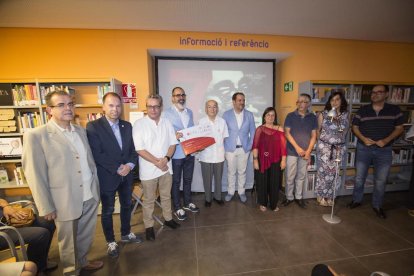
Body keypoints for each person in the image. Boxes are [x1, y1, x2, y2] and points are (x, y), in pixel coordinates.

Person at [22, 90, 103, 275]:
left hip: (89, 194)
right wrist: (45, 206)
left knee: (85, 235)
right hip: (63, 199)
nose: (68, 108)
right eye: (61, 105)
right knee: (68, 242)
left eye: (70, 104)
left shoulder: (81, 131)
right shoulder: (37, 135)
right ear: (49, 109)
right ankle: (71, 271)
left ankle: (82, 262)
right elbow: (34, 174)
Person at [86, 92, 142, 258]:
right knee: (108, 210)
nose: (115, 109)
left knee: (126, 206)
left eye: (118, 105)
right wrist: (118, 168)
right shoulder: (93, 126)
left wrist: (130, 165)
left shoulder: (127, 126)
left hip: (127, 176)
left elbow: (133, 150)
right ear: (103, 107)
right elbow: (98, 154)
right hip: (108, 176)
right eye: (111, 105)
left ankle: (126, 233)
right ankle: (110, 241)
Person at [348, 85, 404, 219]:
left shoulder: (394, 110)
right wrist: (362, 138)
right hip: (364, 148)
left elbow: (399, 128)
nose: (375, 94)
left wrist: (386, 140)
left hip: (384, 150)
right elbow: (354, 127)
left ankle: (377, 205)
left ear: (386, 94)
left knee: (381, 179)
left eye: (379, 92)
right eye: (373, 92)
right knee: (360, 177)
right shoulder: (363, 110)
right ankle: (356, 200)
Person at [133, 94, 180, 241]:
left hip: (166, 167)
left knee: (166, 196)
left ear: (161, 107)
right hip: (148, 170)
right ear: (146, 107)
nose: (153, 109)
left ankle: (168, 218)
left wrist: (165, 159)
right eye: (150, 106)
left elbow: (173, 144)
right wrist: (157, 162)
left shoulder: (167, 123)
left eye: (156, 106)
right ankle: (148, 226)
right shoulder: (139, 124)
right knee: (149, 200)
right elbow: (139, 149)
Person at [163, 87, 200, 221]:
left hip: (190, 152)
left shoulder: (189, 112)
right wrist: (174, 135)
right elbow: (164, 133)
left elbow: (191, 131)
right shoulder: (166, 114)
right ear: (172, 97)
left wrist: (196, 146)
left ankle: (187, 202)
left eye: (183, 95)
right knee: (176, 181)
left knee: (188, 179)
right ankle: (177, 207)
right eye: (178, 95)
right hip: (176, 153)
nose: (181, 97)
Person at [0, 198, 56, 274]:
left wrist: (6, 206)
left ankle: (40, 262)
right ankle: (38, 269)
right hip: (3, 231)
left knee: (48, 222)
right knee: (41, 234)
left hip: (9, 219)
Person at [283, 93, 318, 208]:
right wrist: (298, 148)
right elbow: (287, 133)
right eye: (299, 101)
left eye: (304, 102)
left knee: (301, 176)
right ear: (297, 103)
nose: (301, 104)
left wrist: (308, 151)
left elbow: (314, 135)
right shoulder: (290, 116)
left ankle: (298, 197)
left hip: (305, 152)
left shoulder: (313, 117)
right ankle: (289, 197)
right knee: (289, 176)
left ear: (308, 104)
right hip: (292, 151)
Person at [315, 92, 349, 206]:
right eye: (332, 100)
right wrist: (320, 145)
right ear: (329, 101)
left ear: (341, 101)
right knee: (323, 173)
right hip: (324, 149)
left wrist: (337, 122)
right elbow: (317, 131)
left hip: (339, 149)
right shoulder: (323, 114)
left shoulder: (345, 115)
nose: (334, 102)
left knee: (335, 174)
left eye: (337, 99)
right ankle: (322, 195)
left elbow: (344, 131)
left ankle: (331, 196)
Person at [223, 92, 256, 203]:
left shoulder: (249, 115)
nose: (242, 102)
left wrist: (250, 146)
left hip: (244, 148)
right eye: (239, 100)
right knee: (231, 172)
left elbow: (253, 132)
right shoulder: (226, 115)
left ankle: (241, 192)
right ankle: (231, 192)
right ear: (234, 102)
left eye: (243, 100)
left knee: (242, 172)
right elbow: (223, 132)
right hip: (230, 148)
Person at [252, 107, 287, 212]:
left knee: (275, 182)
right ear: (264, 116)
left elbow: (283, 146)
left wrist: (284, 160)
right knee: (262, 182)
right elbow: (255, 146)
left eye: (272, 115)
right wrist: (255, 160)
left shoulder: (279, 128)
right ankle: (263, 203)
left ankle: (273, 204)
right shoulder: (259, 129)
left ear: (275, 117)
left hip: (276, 159)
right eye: (268, 115)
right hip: (262, 159)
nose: (270, 117)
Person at [198, 100, 229, 207]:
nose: (212, 109)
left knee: (218, 179)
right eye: (209, 107)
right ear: (206, 109)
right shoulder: (201, 122)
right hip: (205, 155)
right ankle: (208, 199)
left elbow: (224, 138)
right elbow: (198, 139)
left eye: (214, 107)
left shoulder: (222, 121)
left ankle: (218, 197)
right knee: (207, 179)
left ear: (217, 108)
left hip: (219, 155)